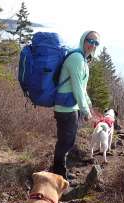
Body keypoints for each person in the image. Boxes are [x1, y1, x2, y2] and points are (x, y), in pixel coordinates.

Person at [51, 30, 100, 180]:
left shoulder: (84, 60)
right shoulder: (77, 59)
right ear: (83, 40)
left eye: (95, 43)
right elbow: (77, 88)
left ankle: (60, 171)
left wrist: (88, 105)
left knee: (68, 141)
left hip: (72, 107)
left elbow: (83, 88)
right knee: (65, 142)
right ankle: (58, 175)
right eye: (90, 41)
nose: (92, 45)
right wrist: (86, 111)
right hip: (65, 108)